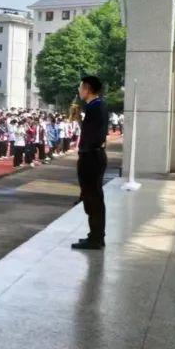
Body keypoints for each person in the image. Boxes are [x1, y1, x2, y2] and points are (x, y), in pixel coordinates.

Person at [73, 76, 108, 251]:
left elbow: (94, 136)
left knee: (93, 199)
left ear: (87, 89)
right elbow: (90, 131)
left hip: (92, 157)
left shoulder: (95, 107)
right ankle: (95, 235)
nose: (79, 91)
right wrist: (79, 120)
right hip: (93, 155)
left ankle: (96, 238)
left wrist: (84, 153)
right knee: (93, 198)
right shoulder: (96, 106)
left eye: (81, 88)